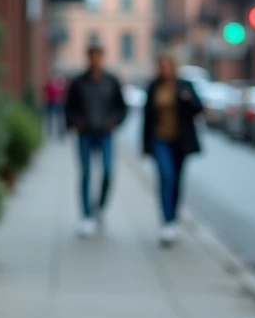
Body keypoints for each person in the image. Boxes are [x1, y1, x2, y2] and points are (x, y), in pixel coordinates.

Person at [63, 44, 129, 237]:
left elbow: (122, 108)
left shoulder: (111, 81)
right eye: (92, 56)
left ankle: (98, 207)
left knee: (108, 171)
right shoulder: (78, 82)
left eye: (98, 56)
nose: (95, 60)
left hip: (105, 134)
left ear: (102, 58)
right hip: (85, 134)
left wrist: (114, 122)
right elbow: (68, 107)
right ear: (88, 58)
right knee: (85, 173)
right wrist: (76, 122)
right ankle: (86, 216)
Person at [142, 54, 204, 246]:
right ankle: (167, 221)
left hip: (180, 141)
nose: (165, 69)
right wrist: (145, 144)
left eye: (168, 66)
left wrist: (188, 99)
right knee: (166, 177)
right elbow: (147, 118)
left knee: (176, 181)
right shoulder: (154, 87)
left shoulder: (184, 85)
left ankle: (174, 219)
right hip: (160, 139)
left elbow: (198, 108)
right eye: (161, 66)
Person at [42, 73, 67, 138]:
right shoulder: (51, 85)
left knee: (59, 118)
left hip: (58, 103)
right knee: (51, 118)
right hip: (52, 103)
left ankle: (60, 132)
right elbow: (45, 90)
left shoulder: (60, 85)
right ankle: (50, 131)